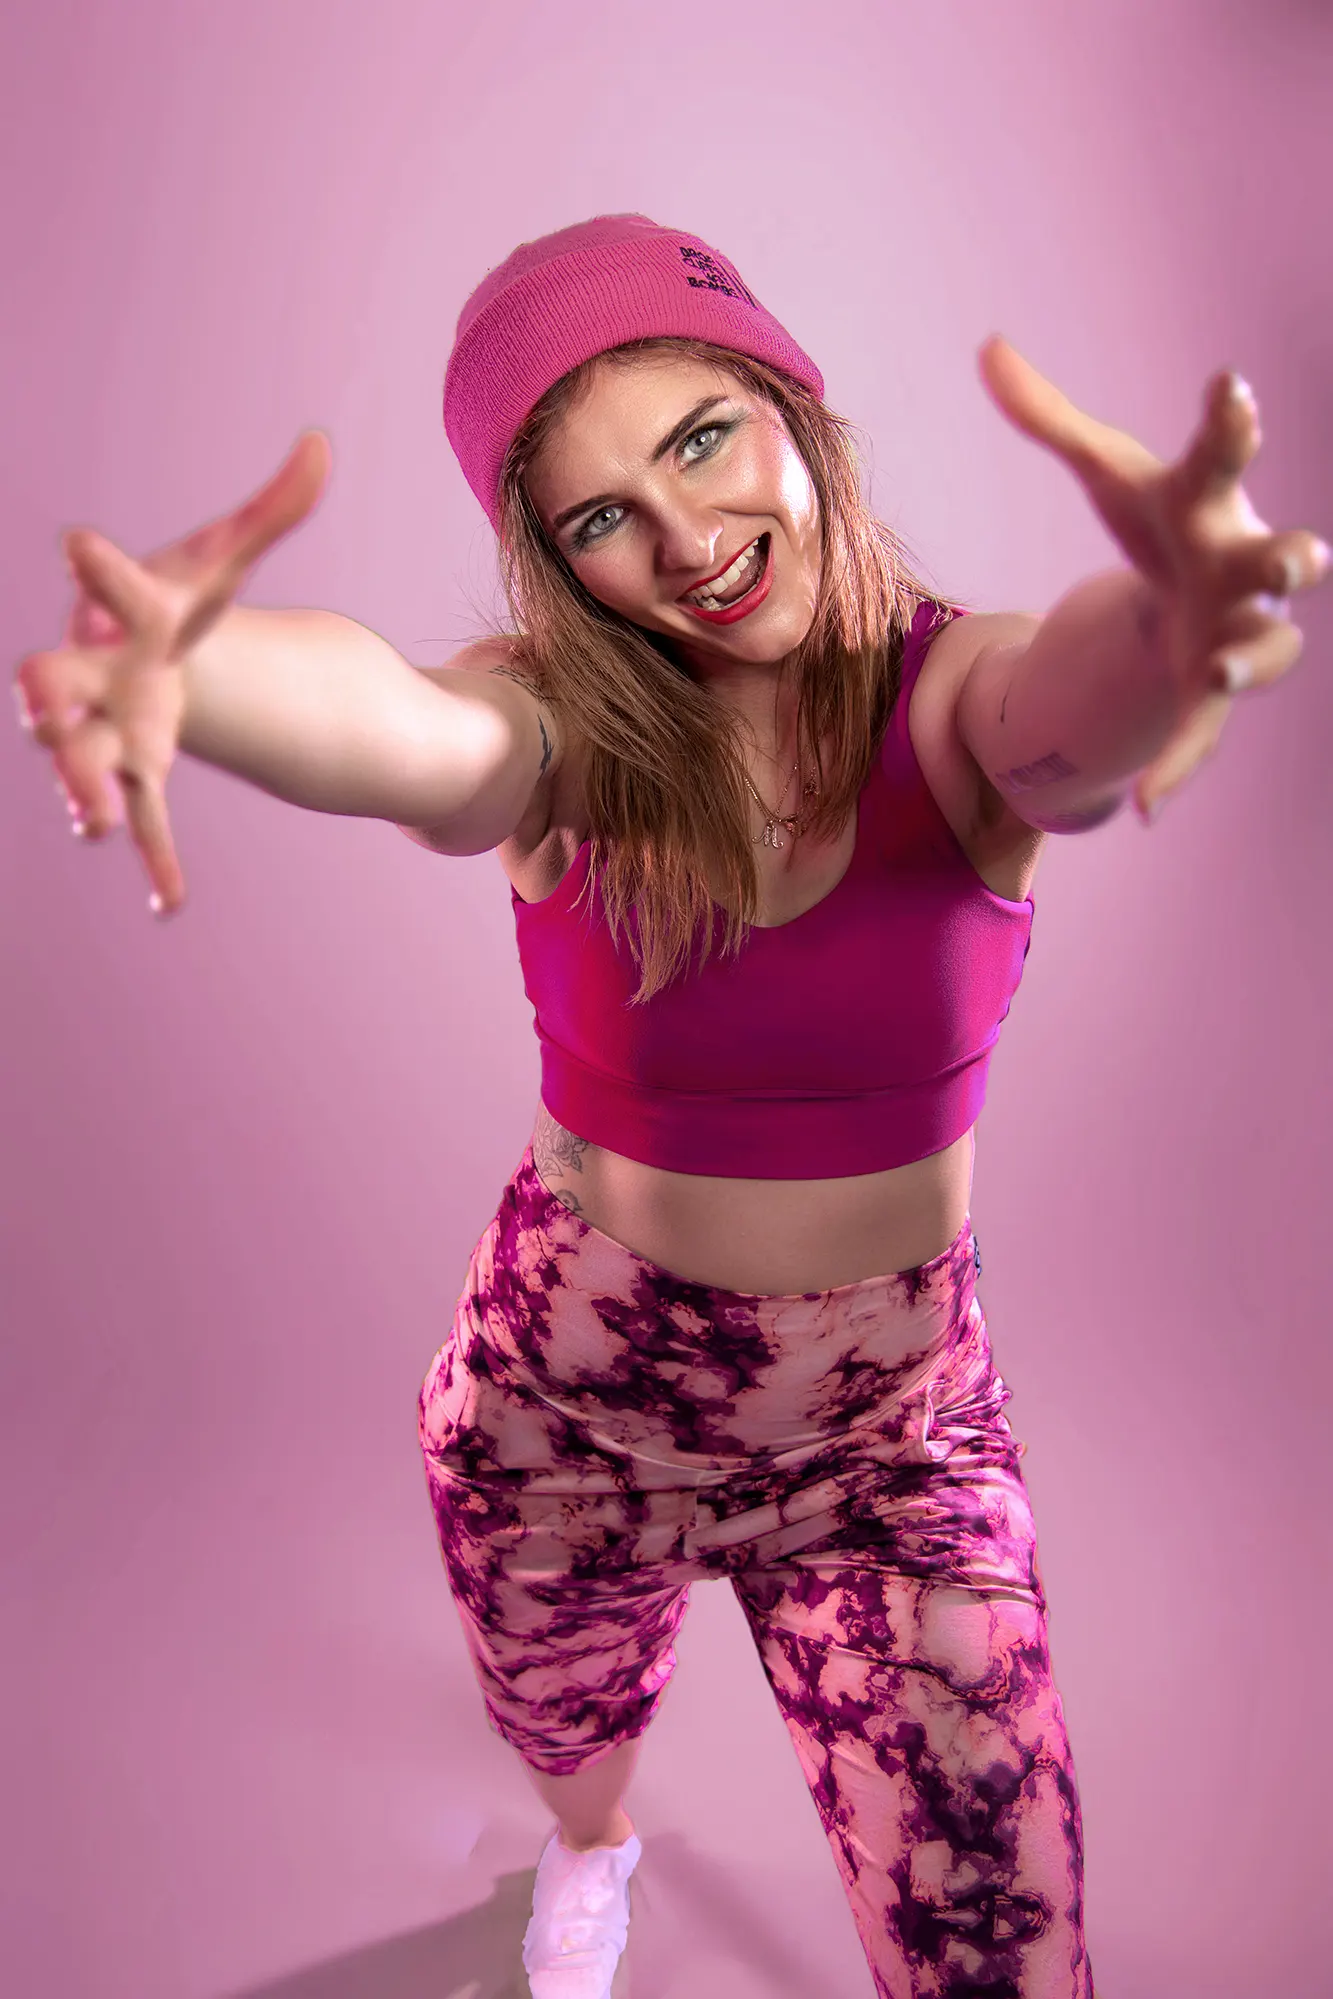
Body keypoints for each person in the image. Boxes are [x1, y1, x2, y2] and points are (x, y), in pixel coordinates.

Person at [14, 213, 1327, 1999]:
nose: (690, 541)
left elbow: (1070, 721)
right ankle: (593, 1844)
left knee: (1001, 1952)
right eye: (601, 517)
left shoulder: (955, 701)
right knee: (561, 1717)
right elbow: (409, 733)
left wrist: (1174, 632)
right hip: (566, 1398)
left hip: (886, 1436)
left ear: (792, 403)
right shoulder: (557, 732)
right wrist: (203, 678)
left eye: (705, 438)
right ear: (558, 566)